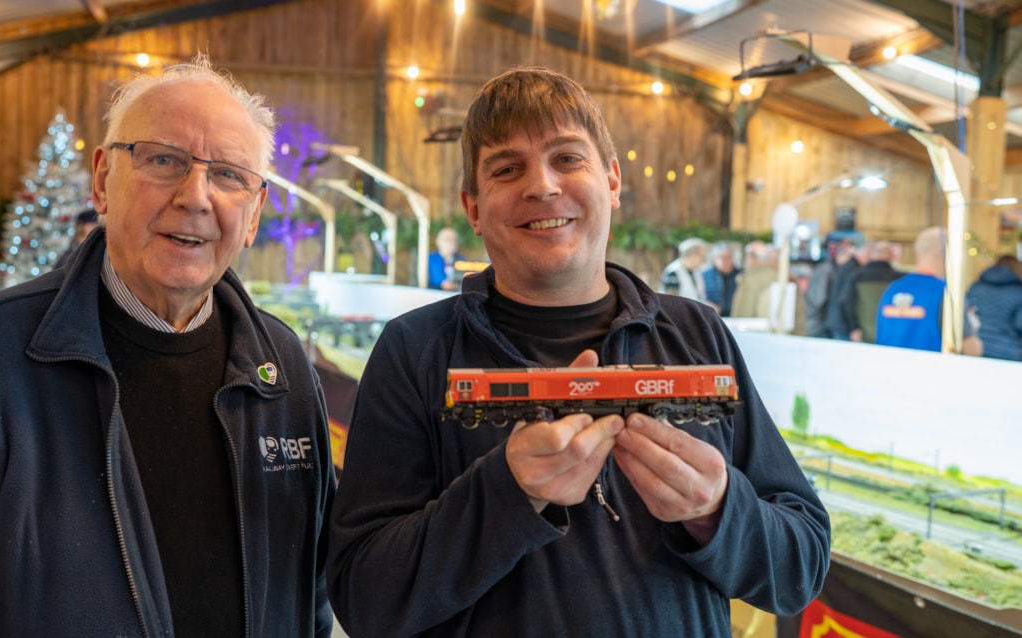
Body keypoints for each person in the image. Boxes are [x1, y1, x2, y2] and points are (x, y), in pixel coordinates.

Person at [327, 66, 829, 637]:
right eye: (507, 168)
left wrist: (718, 510)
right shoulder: (414, 351)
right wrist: (508, 493)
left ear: (612, 180)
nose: (541, 185)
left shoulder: (698, 335)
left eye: (568, 158)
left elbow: (802, 568)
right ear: (472, 207)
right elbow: (364, 599)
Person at [0, 55, 335, 637]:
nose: (196, 196)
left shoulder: (283, 367)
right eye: (164, 160)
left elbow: (312, 596)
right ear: (102, 180)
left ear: (254, 215)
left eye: (228, 174)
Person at [875, 226, 947, 351]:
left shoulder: (892, 289)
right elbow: (970, 348)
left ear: (916, 254)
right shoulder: (946, 292)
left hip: (888, 367)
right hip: (931, 368)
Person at [841, 240, 902, 343]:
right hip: (891, 335)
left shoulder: (857, 276)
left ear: (872, 254)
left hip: (864, 335)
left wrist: (854, 328)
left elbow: (847, 303)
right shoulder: (899, 279)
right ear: (891, 255)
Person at [965, 255, 1022, 361]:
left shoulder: (975, 287)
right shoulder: (1018, 293)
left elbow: (967, 317)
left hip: (976, 348)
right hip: (1007, 353)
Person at [804, 234, 855, 338]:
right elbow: (819, 300)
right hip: (817, 326)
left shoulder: (830, 269)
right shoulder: (826, 270)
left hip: (820, 324)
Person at [660, 236, 707, 301]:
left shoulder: (696, 271)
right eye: (702, 256)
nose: (703, 260)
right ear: (693, 256)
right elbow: (670, 301)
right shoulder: (673, 272)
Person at [700, 240, 739, 316]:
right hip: (712, 317)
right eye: (723, 257)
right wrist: (706, 304)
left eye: (729, 257)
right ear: (714, 259)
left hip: (736, 317)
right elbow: (698, 296)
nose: (727, 261)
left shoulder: (740, 275)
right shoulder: (704, 275)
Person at [428, 226, 467, 290]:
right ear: (438, 241)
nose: (452, 243)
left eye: (455, 240)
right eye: (448, 239)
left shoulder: (461, 260)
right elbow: (444, 284)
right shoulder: (431, 259)